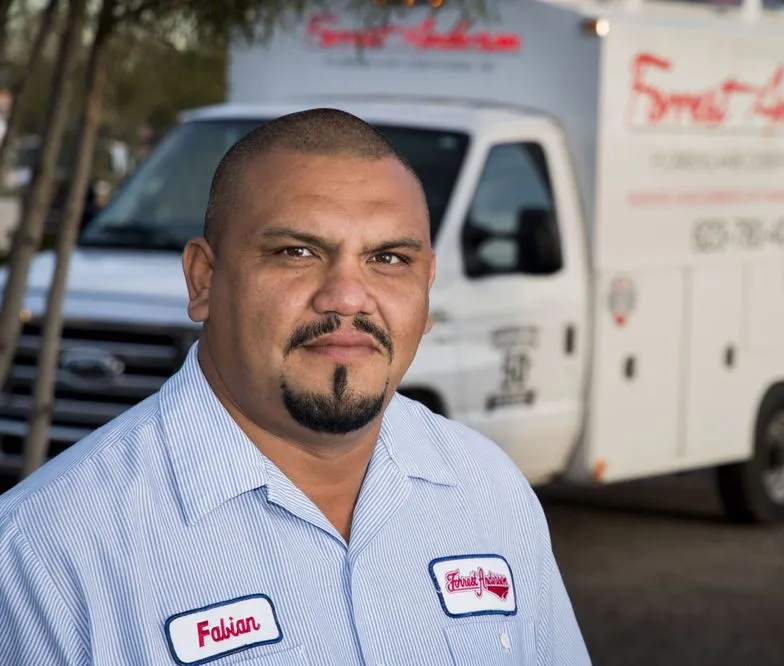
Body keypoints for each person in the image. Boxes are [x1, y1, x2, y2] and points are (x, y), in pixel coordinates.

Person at [0, 108, 591, 665]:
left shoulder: (488, 491)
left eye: (388, 259)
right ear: (204, 280)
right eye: (298, 252)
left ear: (427, 287)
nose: (348, 297)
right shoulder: (46, 554)